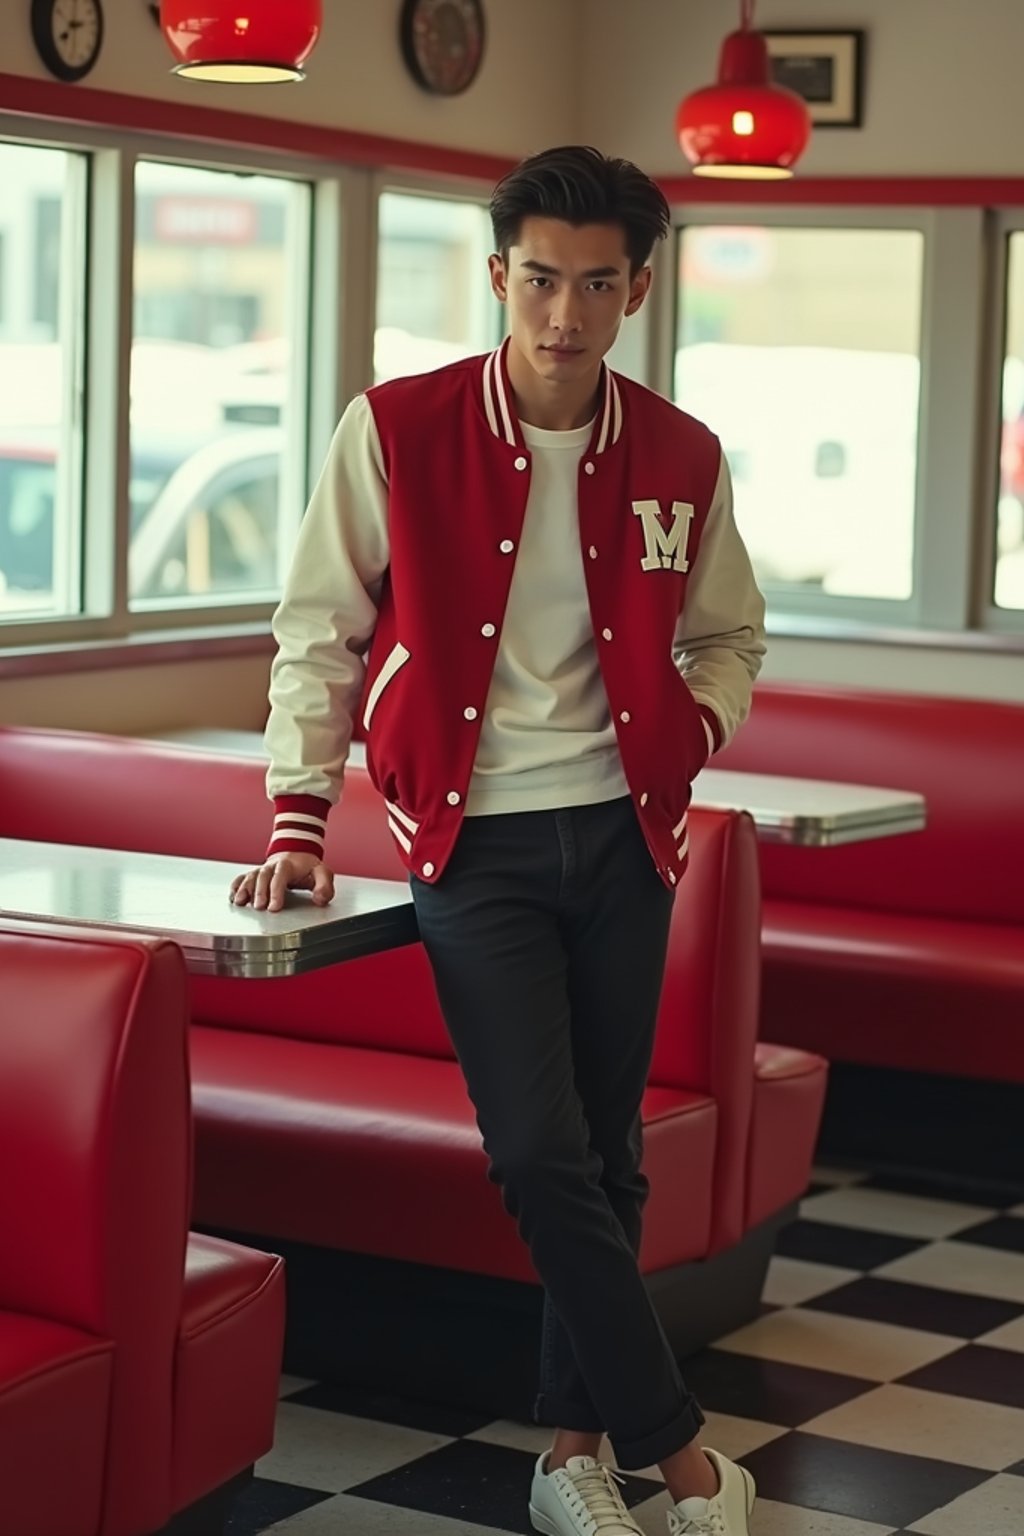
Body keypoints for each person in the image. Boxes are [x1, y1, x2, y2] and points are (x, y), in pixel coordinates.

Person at [231, 145, 766, 1536]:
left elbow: (730, 633)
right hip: (472, 846)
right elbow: (320, 629)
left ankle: (572, 1452)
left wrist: (686, 737)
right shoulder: (396, 428)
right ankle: (686, 1454)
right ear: (497, 277)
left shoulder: (681, 455)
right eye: (539, 280)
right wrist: (300, 815)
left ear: (637, 290)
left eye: (596, 285)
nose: (563, 315)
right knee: (537, 1150)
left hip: (629, 836)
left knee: (609, 1153)